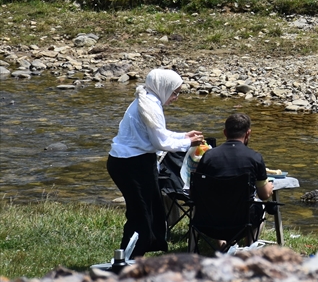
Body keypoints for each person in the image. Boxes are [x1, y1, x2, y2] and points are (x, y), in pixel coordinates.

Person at [107, 68, 204, 257]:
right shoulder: (150, 106)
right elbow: (160, 143)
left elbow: (158, 134)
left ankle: (134, 257)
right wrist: (188, 143)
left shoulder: (148, 100)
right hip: (132, 165)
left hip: (131, 162)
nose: (176, 97)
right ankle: (127, 261)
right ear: (163, 87)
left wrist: (183, 136)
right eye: (175, 92)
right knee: (142, 216)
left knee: (149, 212)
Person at [192, 112, 274, 244]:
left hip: (208, 222)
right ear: (248, 133)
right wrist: (269, 187)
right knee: (261, 206)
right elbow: (264, 195)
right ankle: (248, 248)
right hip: (242, 223)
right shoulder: (255, 157)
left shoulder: (208, 157)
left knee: (217, 201)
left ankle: (222, 245)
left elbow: (196, 191)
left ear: (225, 132)